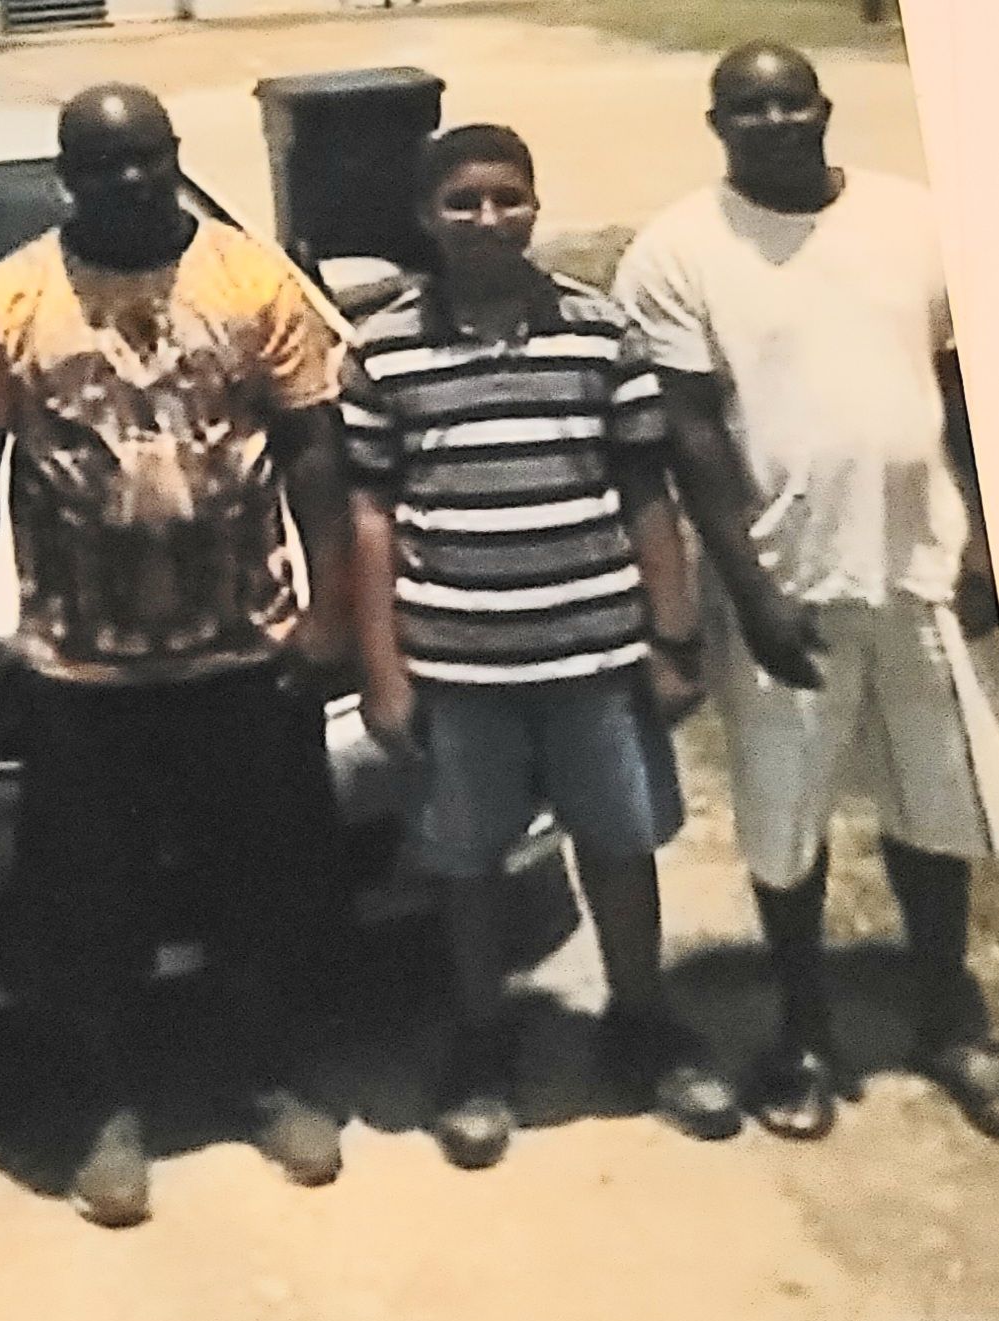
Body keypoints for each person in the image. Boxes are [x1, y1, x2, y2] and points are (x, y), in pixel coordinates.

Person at [0, 84, 354, 1228]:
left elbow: (313, 449)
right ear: (66, 176)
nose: (126, 179)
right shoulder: (3, 302)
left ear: (173, 156)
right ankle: (101, 1112)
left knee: (260, 889)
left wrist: (328, 612)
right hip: (81, 672)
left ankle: (263, 1082)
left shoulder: (254, 281)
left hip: (242, 655)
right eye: (99, 163)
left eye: (144, 157)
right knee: (85, 912)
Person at [614, 43, 999, 1140]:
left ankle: (947, 1018)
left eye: (790, 101)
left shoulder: (915, 219)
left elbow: (961, 387)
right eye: (748, 107)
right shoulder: (678, 249)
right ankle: (802, 1029)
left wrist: (981, 541)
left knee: (939, 802)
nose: (773, 120)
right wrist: (748, 587)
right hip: (784, 579)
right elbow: (690, 431)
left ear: (823, 108)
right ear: (716, 124)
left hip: (921, 563)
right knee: (787, 817)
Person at [341, 124, 744, 1170]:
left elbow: (645, 489)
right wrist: (383, 668)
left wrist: (673, 635)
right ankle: (480, 1039)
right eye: (461, 202)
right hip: (458, 665)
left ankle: (641, 1021)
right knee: (466, 861)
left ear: (533, 204)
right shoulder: (383, 349)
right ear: (424, 217)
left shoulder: (596, 331)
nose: (486, 220)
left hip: (594, 655)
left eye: (506, 198)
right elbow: (371, 514)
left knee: (618, 841)